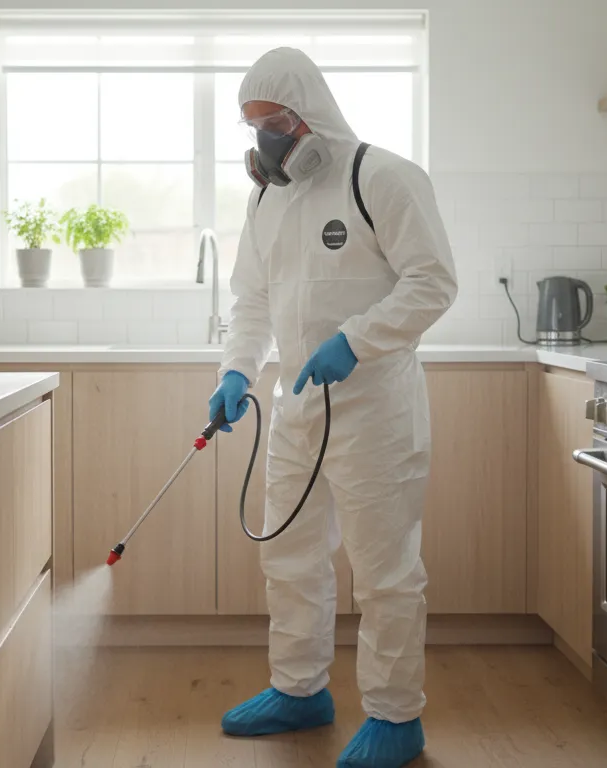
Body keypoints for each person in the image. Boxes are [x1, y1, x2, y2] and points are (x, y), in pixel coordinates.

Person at [208, 47, 458, 768]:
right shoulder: (266, 197)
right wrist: (236, 373)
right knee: (288, 555)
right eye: (253, 125)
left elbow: (433, 282)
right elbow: (251, 301)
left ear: (310, 113)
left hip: (376, 408)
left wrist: (357, 339)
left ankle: (395, 714)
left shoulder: (383, 177)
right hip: (296, 407)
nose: (266, 140)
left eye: (276, 122)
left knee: (383, 569)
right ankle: (298, 688)